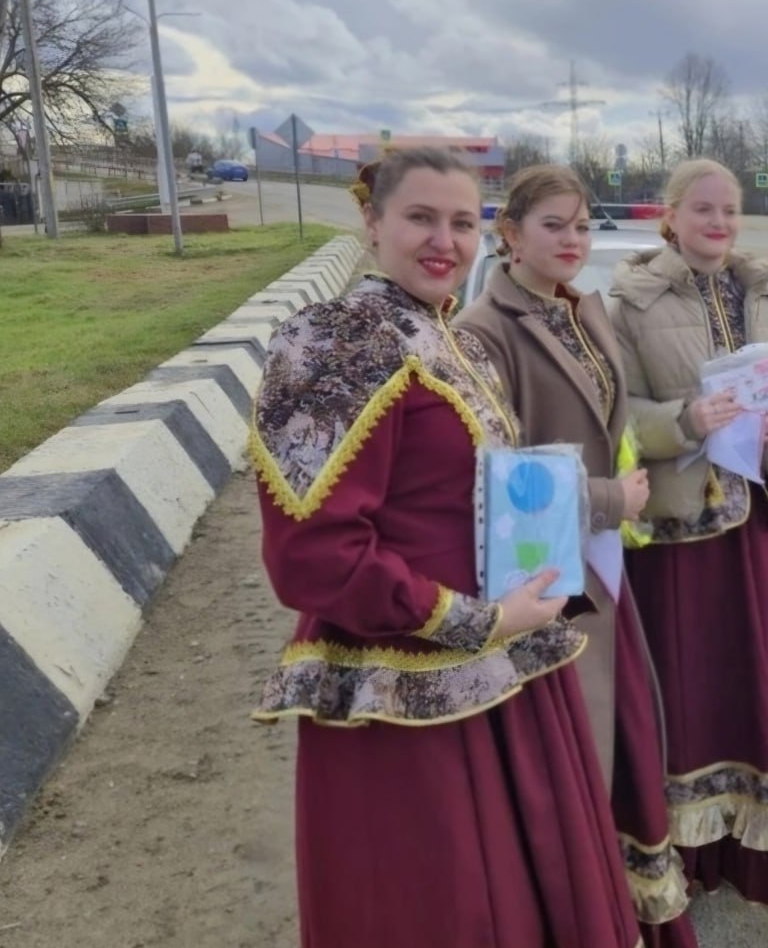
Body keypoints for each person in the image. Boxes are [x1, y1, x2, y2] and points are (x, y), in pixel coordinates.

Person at [250, 147, 642, 948]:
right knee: (444, 904)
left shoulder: (436, 332)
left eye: (461, 222)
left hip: (502, 660)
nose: (445, 241)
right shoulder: (342, 342)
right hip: (408, 694)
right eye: (420, 217)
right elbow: (313, 556)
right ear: (371, 222)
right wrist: (474, 620)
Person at [455, 163, 697, 947]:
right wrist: (606, 500)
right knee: (577, 744)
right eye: (553, 224)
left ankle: (616, 888)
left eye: (583, 225)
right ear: (510, 233)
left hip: (605, 556)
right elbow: (493, 477)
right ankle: (573, 908)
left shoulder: (581, 310)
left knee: (625, 726)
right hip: (551, 567)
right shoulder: (485, 330)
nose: (572, 239)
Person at [610, 157, 768, 911]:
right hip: (681, 533)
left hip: (756, 523)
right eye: (703, 209)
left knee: (767, 685)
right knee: (691, 691)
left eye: (728, 210)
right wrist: (685, 419)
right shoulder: (629, 301)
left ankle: (765, 848)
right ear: (673, 214)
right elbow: (617, 416)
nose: (717, 222)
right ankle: (684, 850)